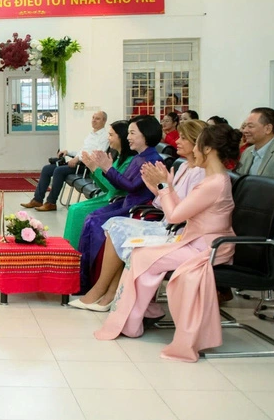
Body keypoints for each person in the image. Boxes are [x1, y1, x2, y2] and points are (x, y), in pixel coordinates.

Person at [95, 123, 242, 361]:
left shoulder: (214, 183)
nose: (192, 150)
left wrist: (164, 187)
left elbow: (174, 216)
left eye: (196, 145)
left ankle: (133, 320)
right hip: (194, 240)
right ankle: (138, 315)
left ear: (207, 149)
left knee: (142, 256)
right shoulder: (213, 179)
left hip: (207, 248)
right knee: (140, 253)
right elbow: (178, 209)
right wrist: (162, 188)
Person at [70, 119, 207, 311]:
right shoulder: (184, 167)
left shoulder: (197, 173)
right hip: (159, 214)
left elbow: (176, 208)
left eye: (183, 138)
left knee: (109, 225)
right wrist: (159, 189)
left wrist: (159, 188)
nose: (176, 141)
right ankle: (104, 291)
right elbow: (164, 199)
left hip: (170, 225)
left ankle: (101, 290)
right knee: (111, 225)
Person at [75, 116, 164, 294]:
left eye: (132, 133)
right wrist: (104, 168)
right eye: (128, 133)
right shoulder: (140, 157)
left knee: (94, 221)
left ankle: (94, 281)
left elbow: (129, 186)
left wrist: (107, 168)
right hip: (127, 202)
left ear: (146, 135)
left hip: (136, 208)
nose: (128, 137)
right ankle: (85, 279)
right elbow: (123, 185)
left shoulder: (151, 159)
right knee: (90, 217)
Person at [62, 120, 137, 246]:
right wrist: (94, 168)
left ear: (121, 137)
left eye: (111, 135)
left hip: (116, 200)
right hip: (108, 196)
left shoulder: (129, 161)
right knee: (74, 208)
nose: (108, 138)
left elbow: (114, 188)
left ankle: (76, 252)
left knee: (78, 210)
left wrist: (96, 169)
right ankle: (68, 249)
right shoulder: (118, 158)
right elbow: (104, 187)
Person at [23, 110, 108, 212]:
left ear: (104, 121)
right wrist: (68, 152)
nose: (94, 121)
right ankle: (37, 199)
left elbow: (97, 155)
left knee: (59, 171)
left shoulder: (104, 137)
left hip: (87, 167)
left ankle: (51, 202)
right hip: (79, 161)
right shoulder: (91, 134)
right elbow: (82, 151)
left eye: (97, 119)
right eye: (93, 118)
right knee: (47, 169)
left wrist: (77, 159)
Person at [236, 108, 274, 181]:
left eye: (250, 126)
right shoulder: (247, 152)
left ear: (268, 129)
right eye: (245, 126)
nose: (244, 131)